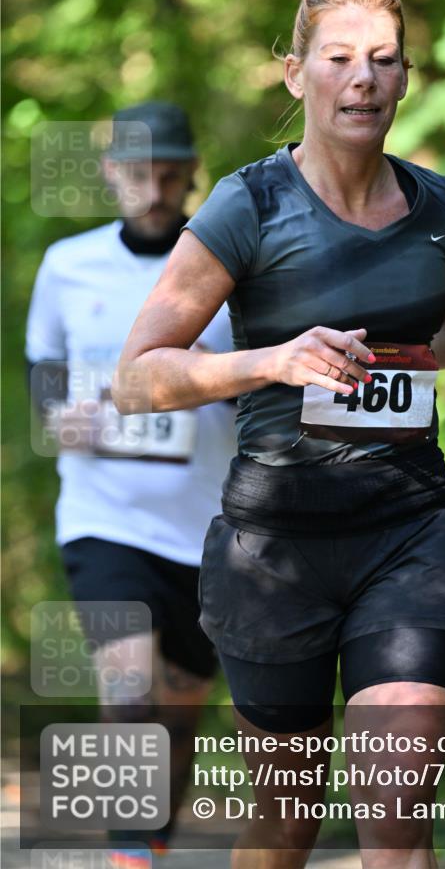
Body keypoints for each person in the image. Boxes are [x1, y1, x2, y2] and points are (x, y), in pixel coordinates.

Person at [113, 0, 445, 868]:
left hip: (407, 529)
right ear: (295, 71)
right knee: (285, 820)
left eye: (382, 58)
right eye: (338, 57)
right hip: (275, 549)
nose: (362, 79)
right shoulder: (246, 206)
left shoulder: (443, 210)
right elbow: (136, 376)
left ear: (406, 78)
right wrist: (270, 361)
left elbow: (430, 336)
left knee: (394, 817)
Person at [26, 102, 238, 857]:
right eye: (140, 172)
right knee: (130, 692)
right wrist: (65, 420)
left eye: (171, 173)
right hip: (104, 520)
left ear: (191, 177)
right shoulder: (67, 265)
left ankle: (147, 846)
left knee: (177, 714)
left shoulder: (222, 270)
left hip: (208, 531)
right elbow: (43, 393)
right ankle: (125, 852)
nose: (155, 188)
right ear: (112, 174)